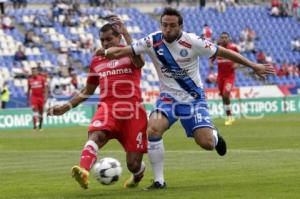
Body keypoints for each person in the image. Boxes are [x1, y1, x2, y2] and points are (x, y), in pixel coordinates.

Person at [97, 7, 276, 189]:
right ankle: (159, 181)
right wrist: (104, 52)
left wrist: (253, 65)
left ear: (180, 26)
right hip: (168, 99)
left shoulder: (193, 42)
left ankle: (215, 136)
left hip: (193, 100)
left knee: (205, 143)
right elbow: (124, 51)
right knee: (153, 130)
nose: (168, 29)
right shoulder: (152, 41)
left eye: (172, 26)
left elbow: (223, 52)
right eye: (165, 25)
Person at [47, 17, 148, 189]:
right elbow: (88, 90)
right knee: (95, 135)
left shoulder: (129, 53)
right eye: (102, 40)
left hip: (133, 112)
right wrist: (67, 106)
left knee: (133, 164)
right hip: (107, 109)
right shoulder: (97, 60)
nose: (106, 43)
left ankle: (138, 174)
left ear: (119, 38)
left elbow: (140, 62)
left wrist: (127, 33)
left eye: (110, 39)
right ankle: (83, 171)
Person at [210, 32, 239, 126]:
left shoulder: (233, 48)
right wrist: (211, 64)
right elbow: (211, 58)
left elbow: (239, 59)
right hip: (220, 77)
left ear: (229, 38)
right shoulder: (216, 49)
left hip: (230, 76)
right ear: (219, 39)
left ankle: (229, 116)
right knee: (223, 97)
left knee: (226, 95)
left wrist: (236, 64)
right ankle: (229, 116)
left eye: (226, 37)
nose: (224, 39)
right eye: (222, 37)